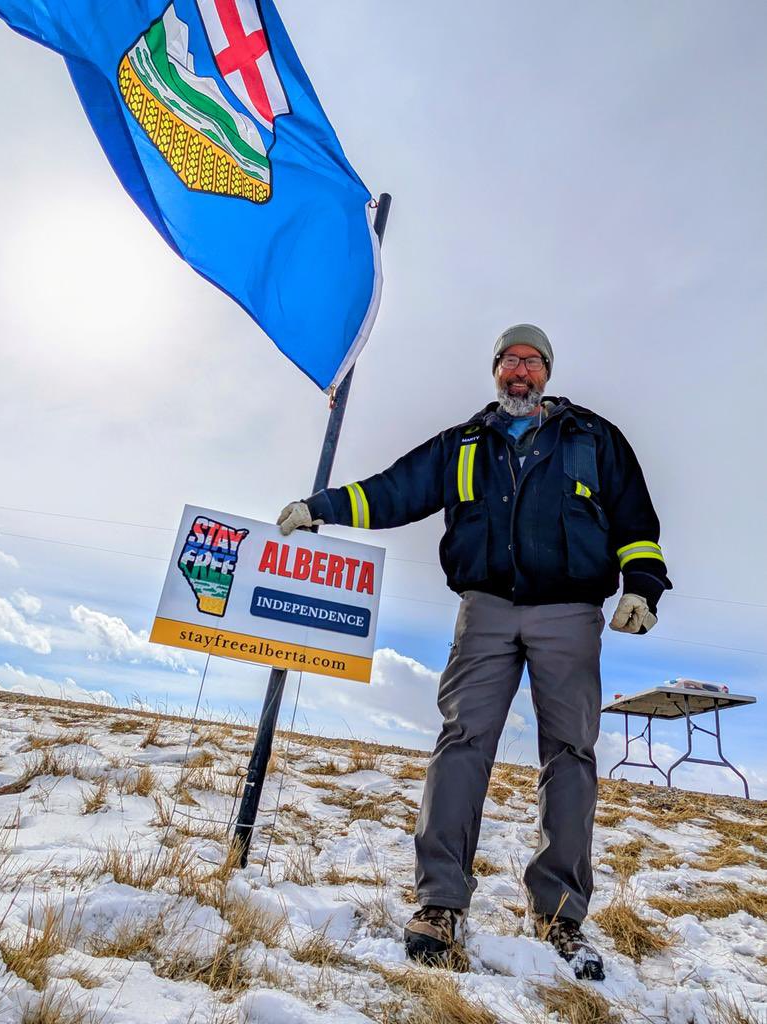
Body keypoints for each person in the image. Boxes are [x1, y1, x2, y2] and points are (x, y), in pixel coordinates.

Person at [277, 324, 671, 979]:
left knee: (569, 754)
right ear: (495, 370)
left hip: (570, 614)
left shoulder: (592, 437)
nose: (520, 370)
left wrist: (644, 587)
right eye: (509, 360)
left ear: (546, 371)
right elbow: (395, 489)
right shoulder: (463, 443)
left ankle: (561, 916)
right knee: (461, 742)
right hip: (484, 609)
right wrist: (320, 507)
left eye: (531, 361)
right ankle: (439, 904)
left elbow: (635, 521)